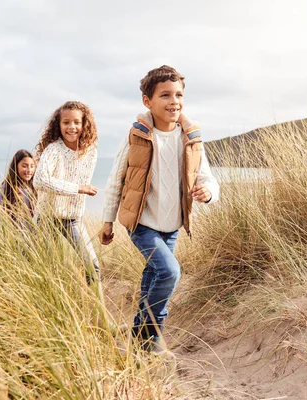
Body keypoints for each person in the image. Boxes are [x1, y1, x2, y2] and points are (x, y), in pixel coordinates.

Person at [100, 65, 220, 356]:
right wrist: (107, 221)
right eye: (165, 95)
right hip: (142, 222)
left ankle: (140, 340)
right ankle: (149, 337)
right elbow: (116, 180)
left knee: (154, 277)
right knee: (169, 272)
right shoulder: (137, 136)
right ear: (147, 101)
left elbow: (207, 177)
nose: (174, 101)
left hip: (172, 224)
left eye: (178, 94)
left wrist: (209, 193)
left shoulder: (190, 138)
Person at [33, 100, 100, 284]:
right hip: (46, 220)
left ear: (84, 123)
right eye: (66, 122)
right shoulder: (53, 150)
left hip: (73, 219)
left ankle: (97, 311)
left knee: (92, 267)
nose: (72, 127)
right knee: (47, 272)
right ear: (59, 125)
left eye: (77, 122)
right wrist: (78, 188)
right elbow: (39, 180)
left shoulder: (91, 151)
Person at [0, 149, 37, 229]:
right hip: (13, 233)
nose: (29, 170)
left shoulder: (34, 188)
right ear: (16, 166)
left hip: (32, 235)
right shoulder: (6, 188)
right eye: (24, 166)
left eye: (32, 166)